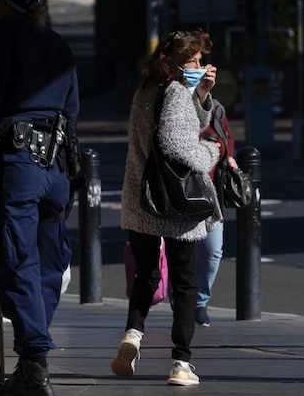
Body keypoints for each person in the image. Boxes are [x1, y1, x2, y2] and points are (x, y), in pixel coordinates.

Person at [0, 0, 79, 396]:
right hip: (55, 169)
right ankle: (33, 363)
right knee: (48, 264)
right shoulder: (58, 45)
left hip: (17, 167)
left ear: (4, 4)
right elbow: (72, 114)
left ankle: (33, 364)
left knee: (14, 260)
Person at [111, 29, 222, 387]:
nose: (200, 65)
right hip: (174, 203)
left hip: (140, 199)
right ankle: (181, 362)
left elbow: (182, 125)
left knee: (146, 274)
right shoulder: (174, 92)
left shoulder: (146, 90)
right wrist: (211, 153)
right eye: (193, 61)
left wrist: (202, 94)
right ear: (175, 63)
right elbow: (178, 144)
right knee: (185, 283)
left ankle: (132, 333)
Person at [194, 98, 238, 327]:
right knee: (182, 254)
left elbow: (227, 137)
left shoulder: (217, 107)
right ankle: (181, 303)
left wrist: (229, 156)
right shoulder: (174, 102)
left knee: (212, 251)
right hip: (181, 193)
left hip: (212, 194)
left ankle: (200, 301)